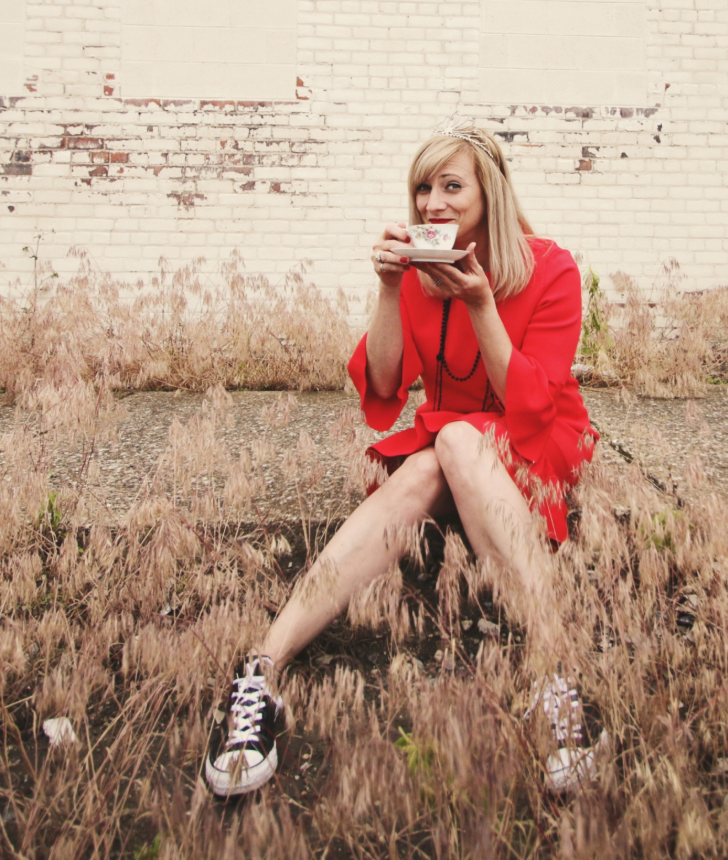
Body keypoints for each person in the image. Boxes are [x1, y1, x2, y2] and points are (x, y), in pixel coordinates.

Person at [205, 124, 602, 798]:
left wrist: (480, 304)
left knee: (445, 442)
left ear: (491, 194)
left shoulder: (552, 270)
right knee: (427, 458)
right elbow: (385, 390)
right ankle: (261, 674)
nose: (433, 202)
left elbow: (531, 407)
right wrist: (390, 288)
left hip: (532, 449)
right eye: (423, 187)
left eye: (452, 185)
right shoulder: (421, 273)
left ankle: (557, 676)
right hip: (450, 450)